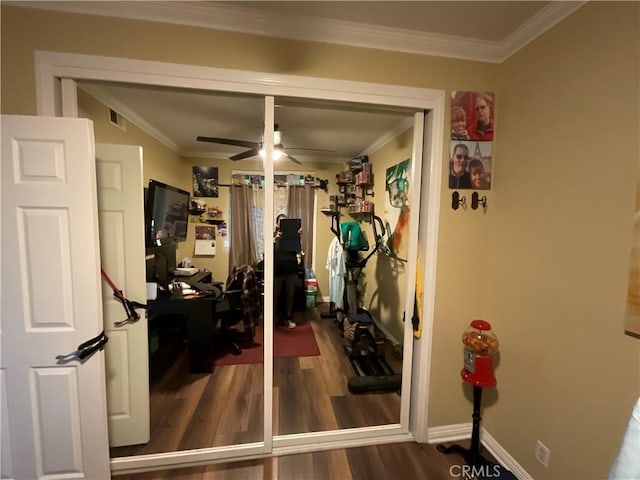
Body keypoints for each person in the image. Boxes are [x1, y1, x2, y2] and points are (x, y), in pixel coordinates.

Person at [273, 213, 301, 329]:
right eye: (281, 221)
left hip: (291, 268)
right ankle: (272, 318)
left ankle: (288, 317)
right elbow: (268, 253)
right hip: (277, 269)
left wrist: (298, 236)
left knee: (290, 296)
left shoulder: (293, 235)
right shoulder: (273, 236)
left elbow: (298, 250)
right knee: (275, 295)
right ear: (277, 224)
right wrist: (275, 240)